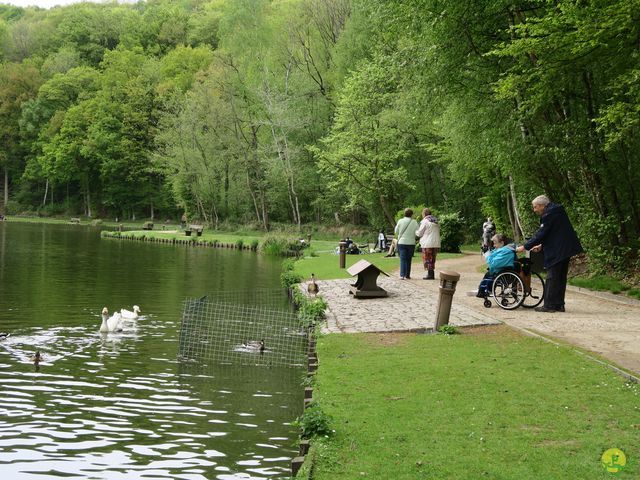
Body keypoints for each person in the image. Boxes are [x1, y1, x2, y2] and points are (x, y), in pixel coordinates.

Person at [516, 195, 583, 312]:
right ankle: (559, 304)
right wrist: (541, 245)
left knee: (552, 277)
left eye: (535, 207)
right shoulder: (557, 211)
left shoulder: (549, 215)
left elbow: (542, 233)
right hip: (566, 248)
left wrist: (525, 247)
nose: (534, 210)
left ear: (542, 206)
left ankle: (549, 305)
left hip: (558, 250)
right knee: (561, 277)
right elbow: (556, 233)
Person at [394, 208, 419, 280]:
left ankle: (402, 275)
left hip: (402, 242)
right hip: (411, 243)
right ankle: (407, 275)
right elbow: (417, 232)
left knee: (402, 258)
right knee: (409, 259)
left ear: (404, 214)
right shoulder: (414, 222)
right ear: (411, 214)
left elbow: (396, 232)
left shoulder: (400, 221)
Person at [416, 208, 441, 280]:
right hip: (436, 243)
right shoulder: (436, 221)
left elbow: (420, 233)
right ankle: (431, 273)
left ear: (424, 214)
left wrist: (415, 232)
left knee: (427, 258)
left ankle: (430, 274)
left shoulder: (425, 221)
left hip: (427, 243)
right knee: (432, 258)